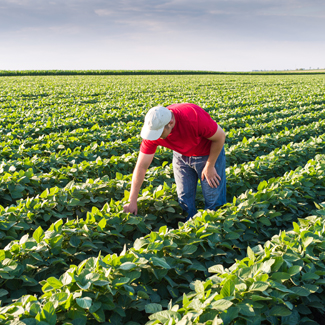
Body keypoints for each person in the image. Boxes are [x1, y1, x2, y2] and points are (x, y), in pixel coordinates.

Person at [123, 103, 226, 221]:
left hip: (208, 153)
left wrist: (210, 165)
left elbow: (220, 137)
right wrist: (132, 200)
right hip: (181, 156)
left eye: (159, 133)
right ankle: (189, 231)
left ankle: (215, 231)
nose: (155, 137)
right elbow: (141, 166)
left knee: (213, 199)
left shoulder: (192, 117)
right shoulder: (153, 129)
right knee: (184, 199)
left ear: (170, 123)